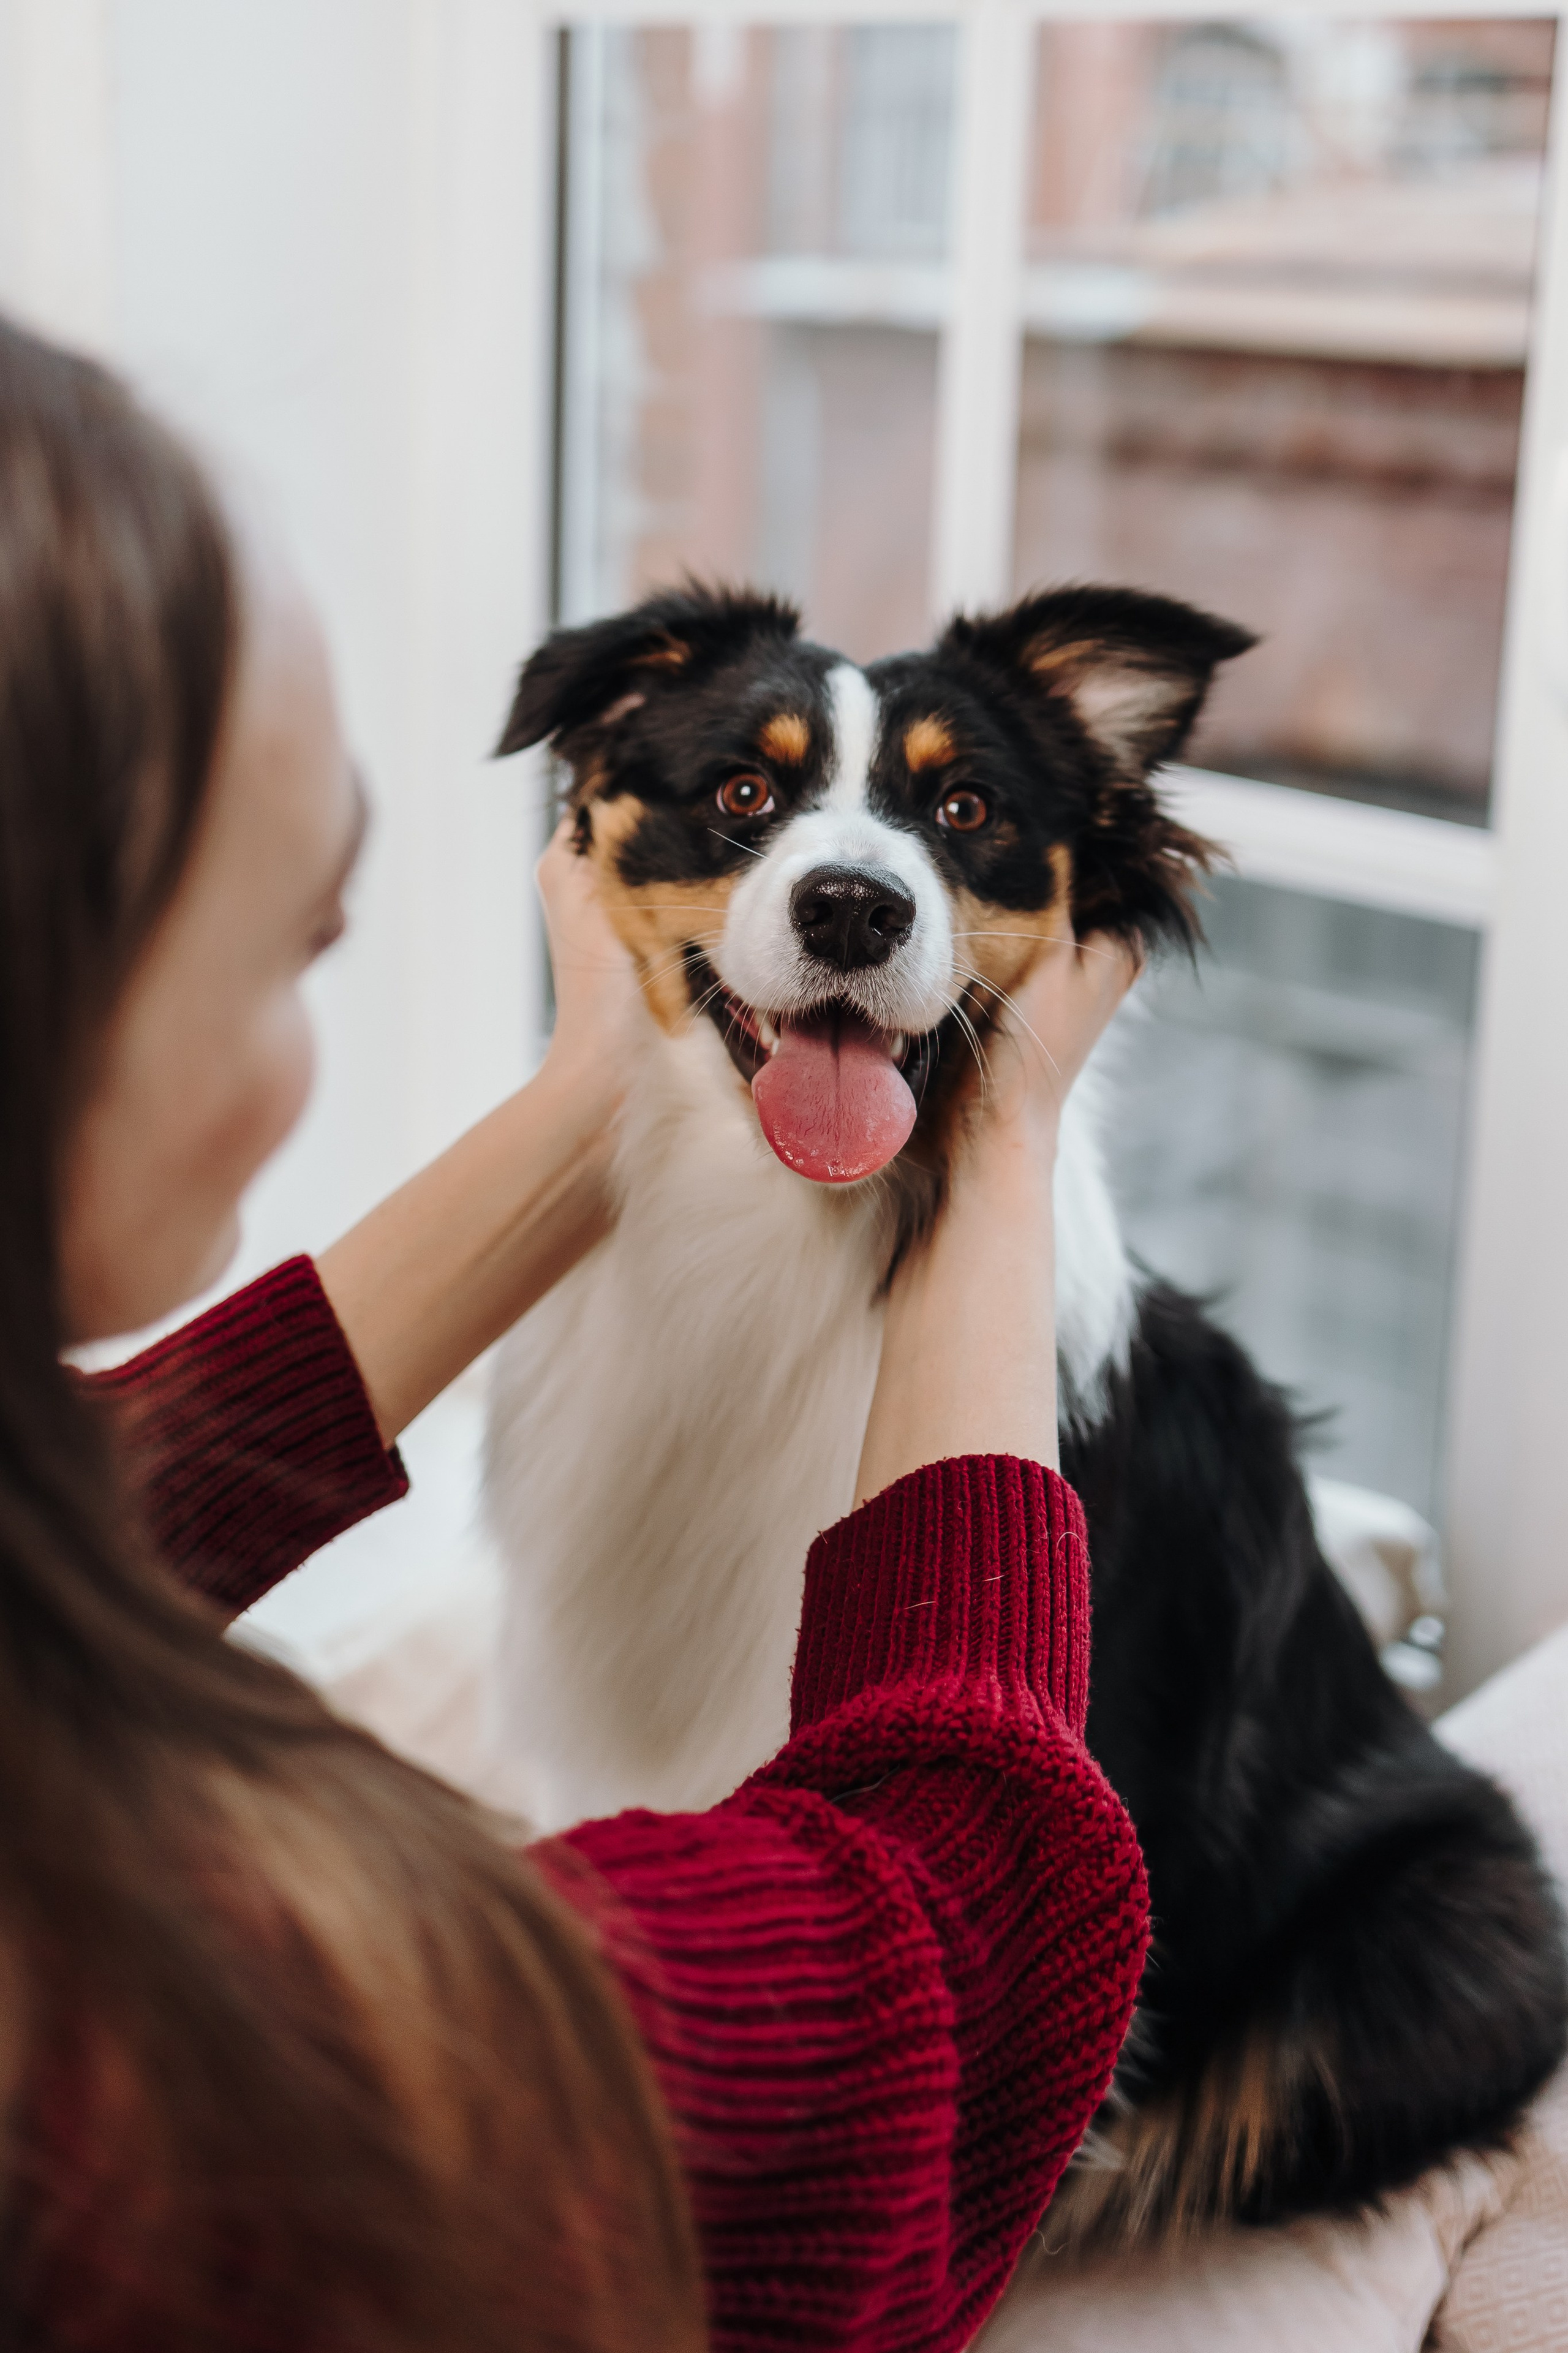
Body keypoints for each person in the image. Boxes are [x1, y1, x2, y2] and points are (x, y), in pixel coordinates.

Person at [0, 311, 1148, 2352]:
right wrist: (1003, 1149)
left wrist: (593, 1093)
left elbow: (65, 1516)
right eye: (299, 941)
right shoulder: (198, 2052)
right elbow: (948, 1983)